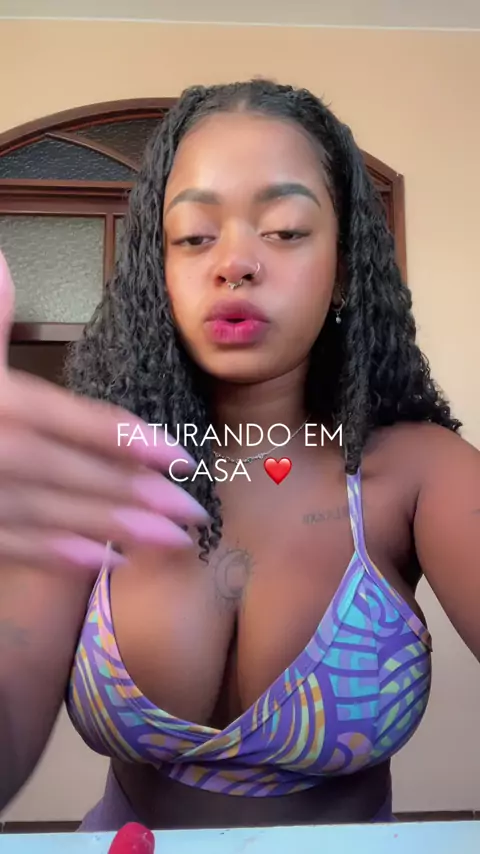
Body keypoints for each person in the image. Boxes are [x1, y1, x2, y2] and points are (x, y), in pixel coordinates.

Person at [0, 79, 478, 830]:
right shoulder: (95, 475)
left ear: (344, 263)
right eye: (195, 236)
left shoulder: (421, 475)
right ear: (158, 271)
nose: (235, 262)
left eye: (284, 230)